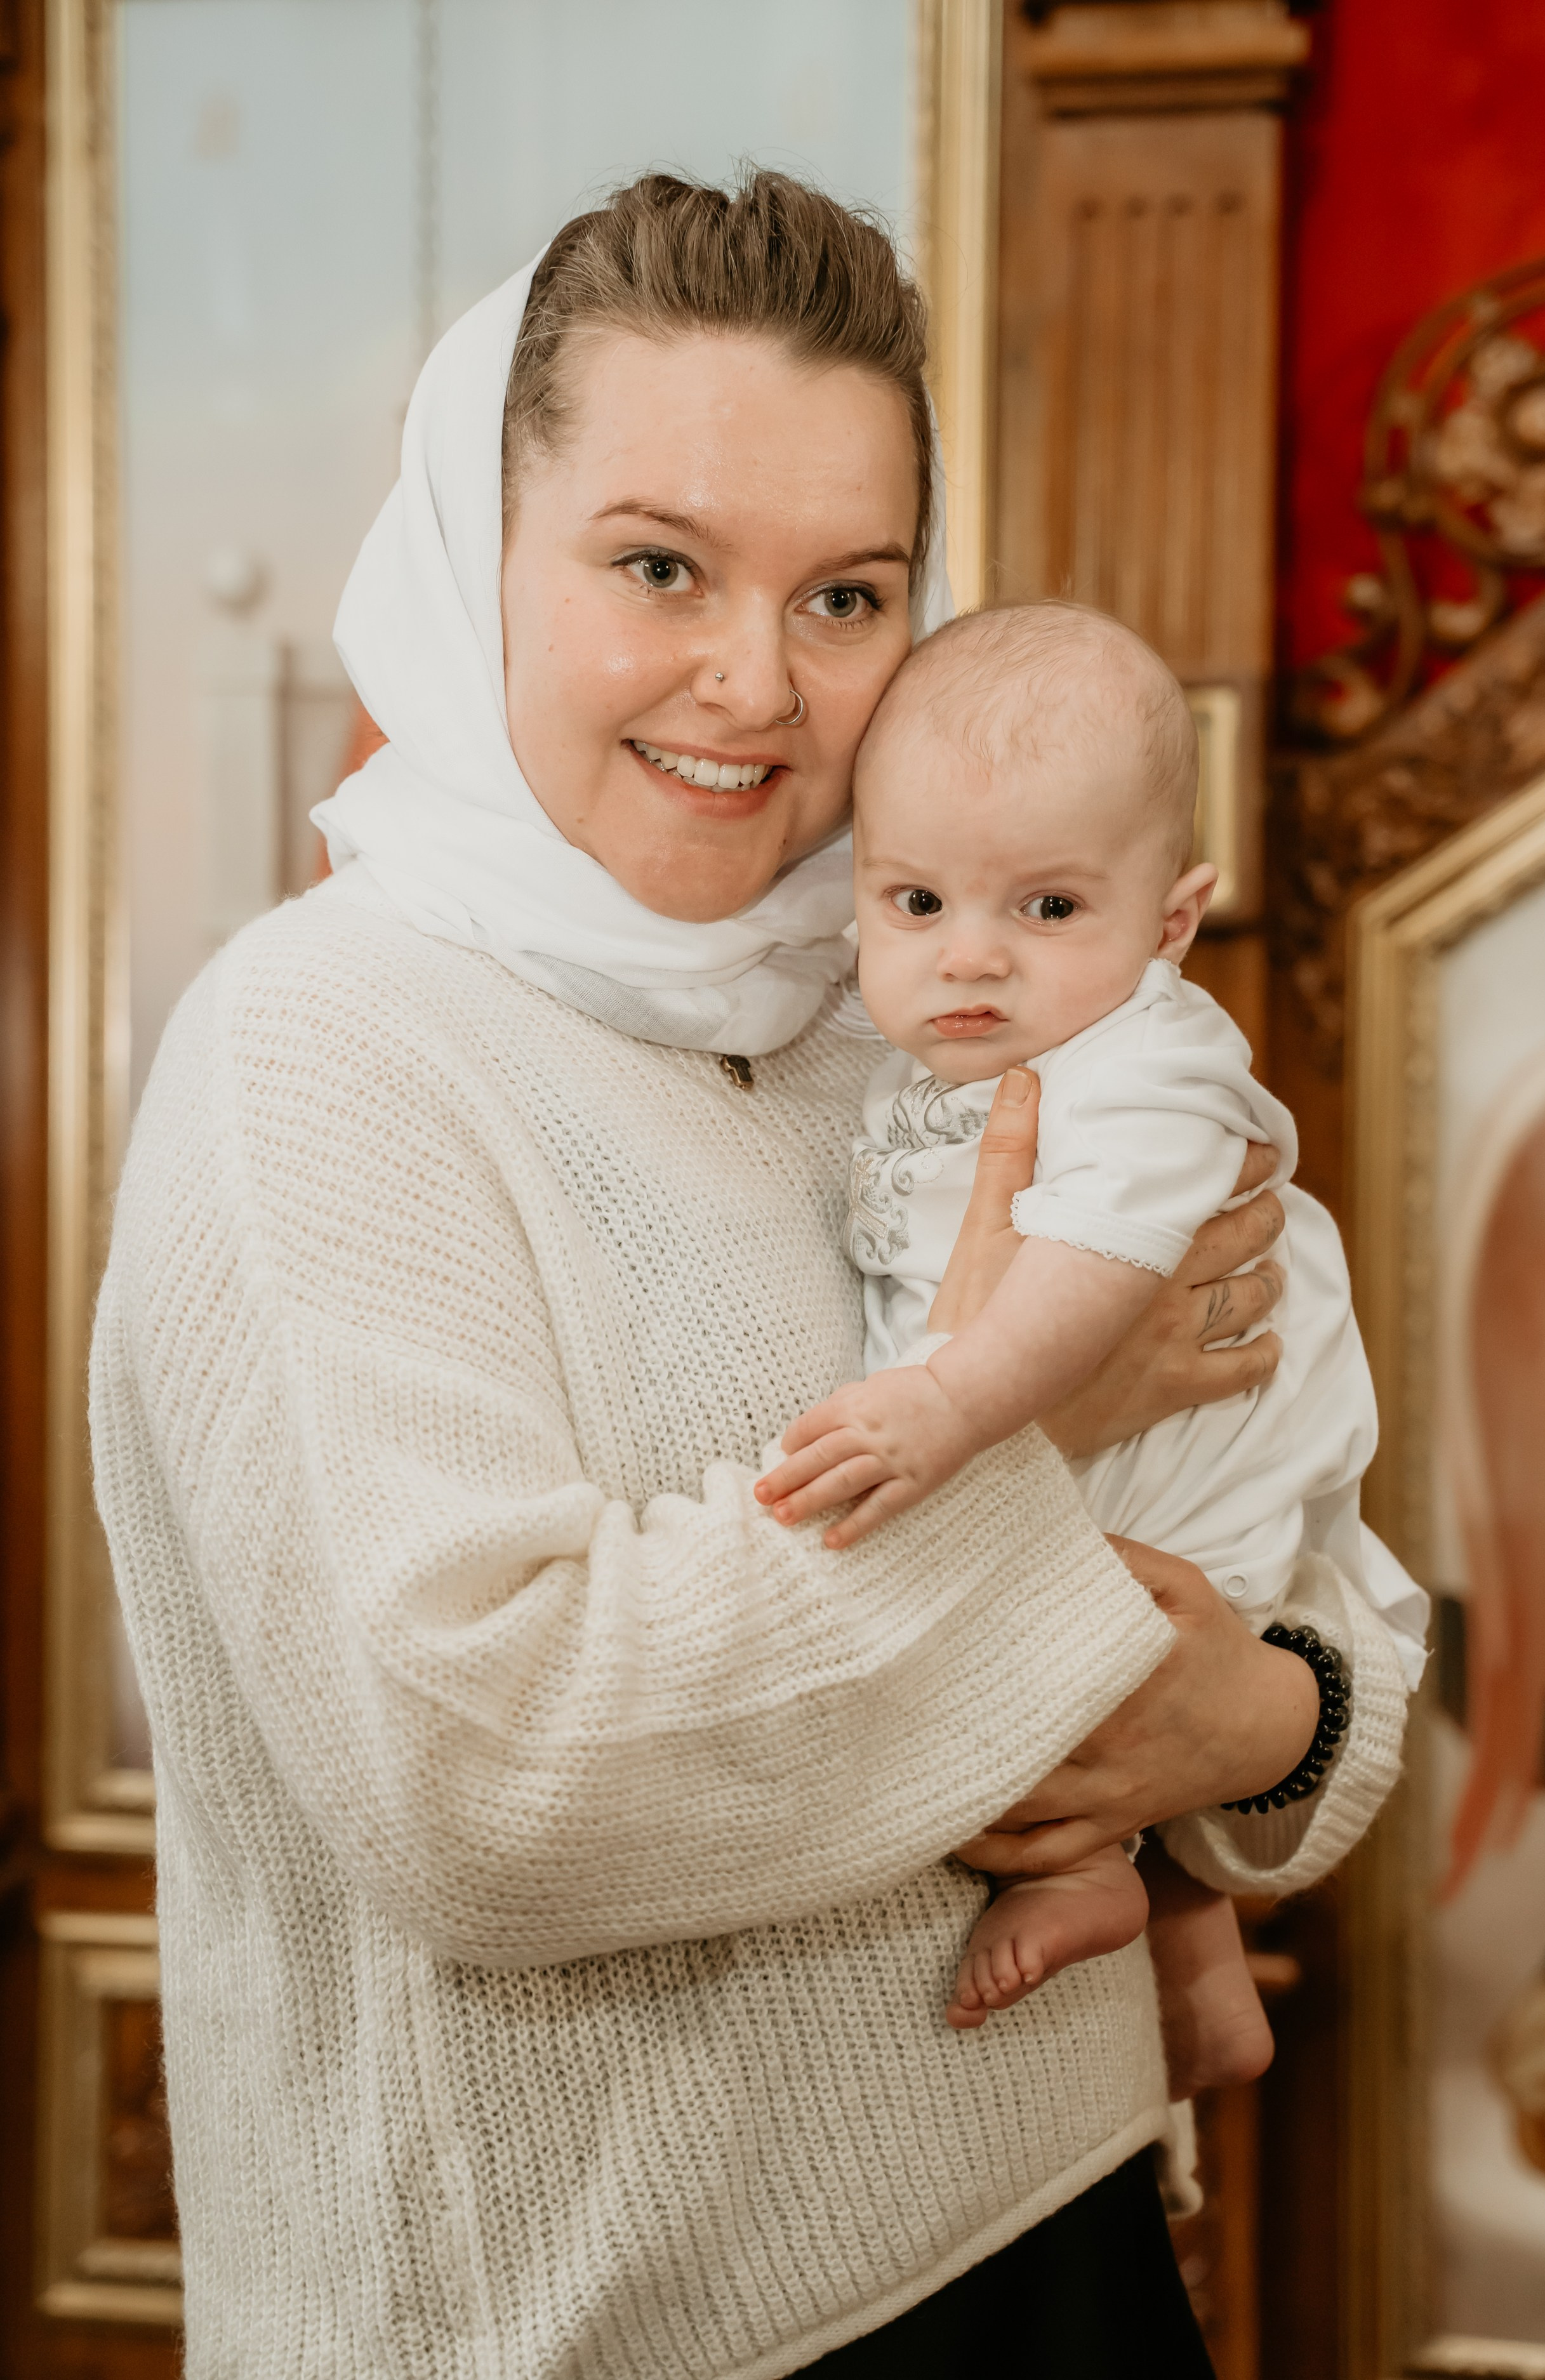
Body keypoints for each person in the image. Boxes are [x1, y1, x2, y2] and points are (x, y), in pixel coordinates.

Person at [91, 172, 1410, 2379]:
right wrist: (1036, 1440)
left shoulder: (939, 988)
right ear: (471, 551)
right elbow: (480, 1791)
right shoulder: (312, 1051)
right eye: (658, 565)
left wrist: (1267, 1719)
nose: (755, 682)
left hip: (1074, 2250)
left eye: (848, 594)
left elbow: (1316, 1575)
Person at [758, 602, 1422, 2085]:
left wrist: (952, 1405)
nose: (968, 960)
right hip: (1105, 1470)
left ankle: (1091, 1882)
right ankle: (1187, 1958)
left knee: (1079, 1643)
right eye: (915, 904)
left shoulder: (1144, 1060)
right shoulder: (927, 1044)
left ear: (1169, 924)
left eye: (1047, 910)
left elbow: (1099, 1264)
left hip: (1181, 1470)